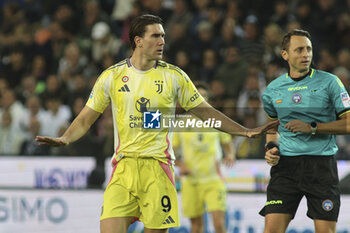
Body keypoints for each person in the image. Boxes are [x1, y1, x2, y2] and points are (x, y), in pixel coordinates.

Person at [36, 14, 278, 233]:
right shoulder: (112, 76)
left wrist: (245, 131)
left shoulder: (174, 76)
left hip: (158, 169)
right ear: (138, 41)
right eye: (156, 36)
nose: (162, 41)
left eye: (163, 35)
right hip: (123, 168)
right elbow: (87, 117)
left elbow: (206, 113)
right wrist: (66, 138)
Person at [260, 29, 350, 233]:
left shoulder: (330, 82)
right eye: (299, 49)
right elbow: (272, 127)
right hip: (286, 168)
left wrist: (313, 128)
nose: (306, 54)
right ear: (285, 54)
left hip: (320, 167)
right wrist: (272, 147)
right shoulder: (273, 90)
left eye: (308, 49)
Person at [173, 82, 235, 233]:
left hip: (213, 179)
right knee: (196, 226)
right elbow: (171, 152)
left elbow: (227, 144)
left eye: (204, 97)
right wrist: (181, 165)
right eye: (196, 96)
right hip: (191, 181)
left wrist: (230, 155)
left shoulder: (216, 120)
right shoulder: (180, 123)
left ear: (208, 101)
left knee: (219, 224)